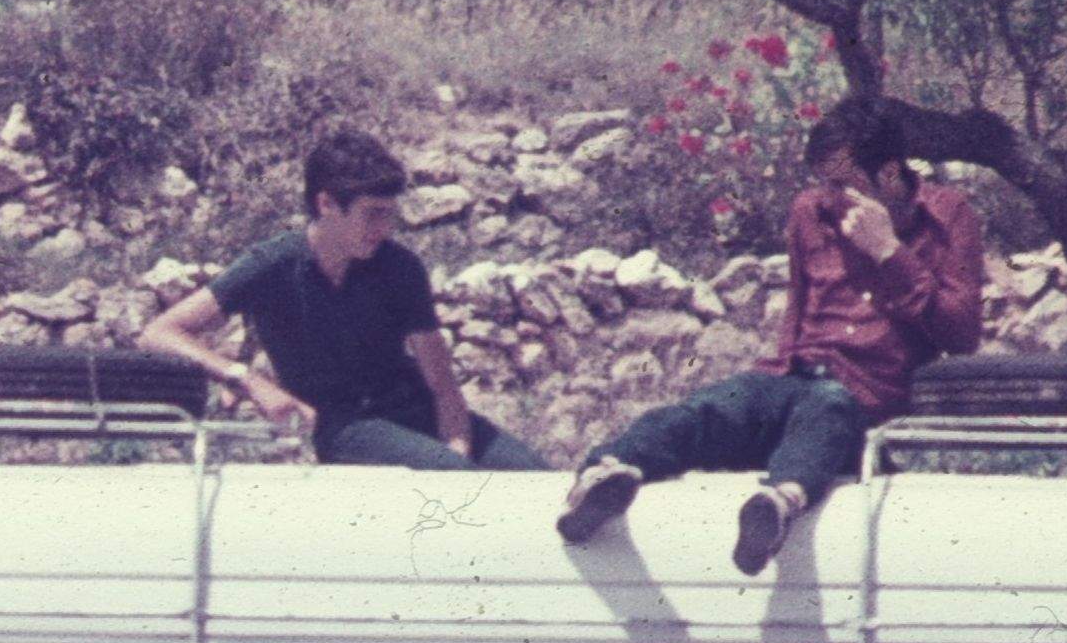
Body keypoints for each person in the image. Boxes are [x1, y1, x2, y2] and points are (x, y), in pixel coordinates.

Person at [557, 94, 985, 573]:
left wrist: (889, 251)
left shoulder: (948, 216)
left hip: (863, 393)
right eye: (822, 182)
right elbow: (798, 308)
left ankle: (776, 506)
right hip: (792, 375)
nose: (829, 196)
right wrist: (776, 375)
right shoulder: (810, 211)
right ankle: (606, 476)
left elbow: (962, 334)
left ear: (888, 174)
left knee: (828, 410)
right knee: (715, 405)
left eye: (843, 184)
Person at [141, 129, 541, 471]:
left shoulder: (401, 268)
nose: (385, 228)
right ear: (327, 204)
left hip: (416, 410)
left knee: (540, 482)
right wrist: (246, 379)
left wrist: (458, 451)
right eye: (373, 214)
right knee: (456, 477)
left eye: (390, 214)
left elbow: (442, 386)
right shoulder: (272, 265)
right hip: (346, 427)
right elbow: (159, 333)